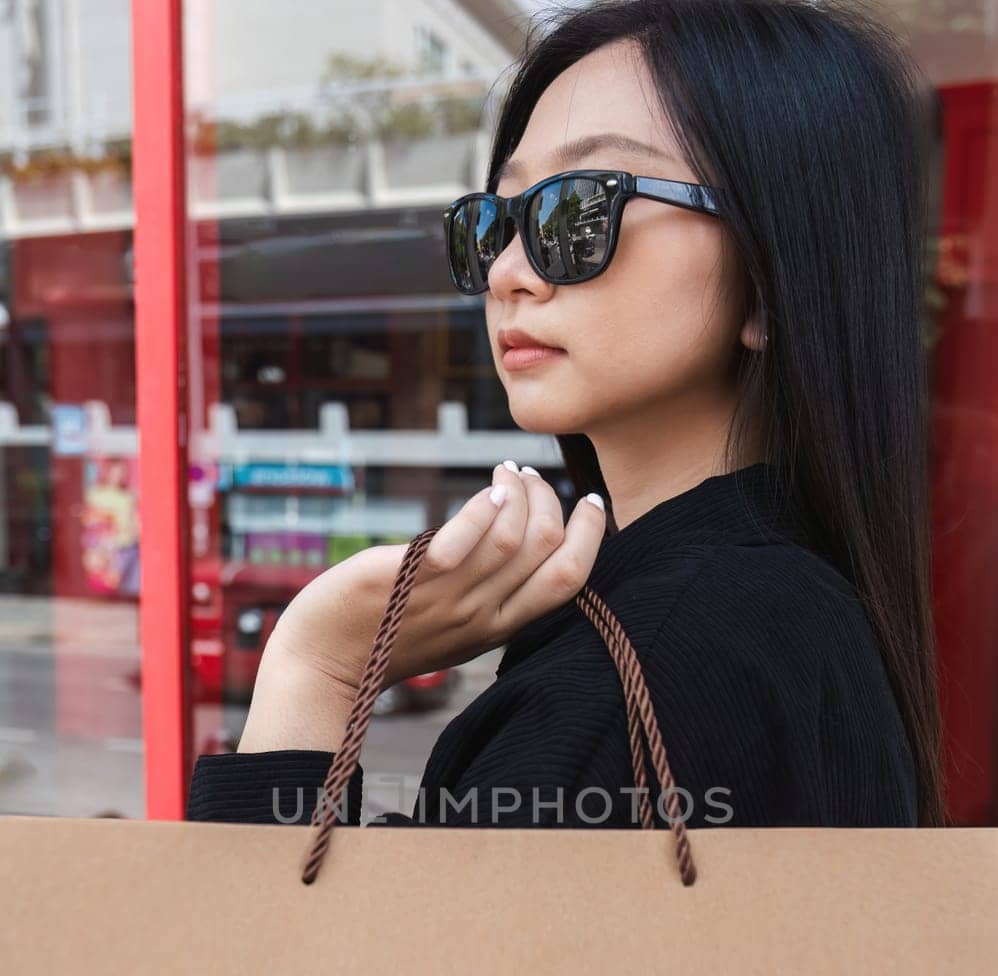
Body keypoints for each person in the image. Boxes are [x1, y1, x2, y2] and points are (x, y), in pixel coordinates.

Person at [187, 0, 945, 833]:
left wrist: (317, 668)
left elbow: (286, 960)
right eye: (497, 220)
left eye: (579, 209)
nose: (509, 270)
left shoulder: (653, 665)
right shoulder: (785, 606)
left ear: (771, 277)